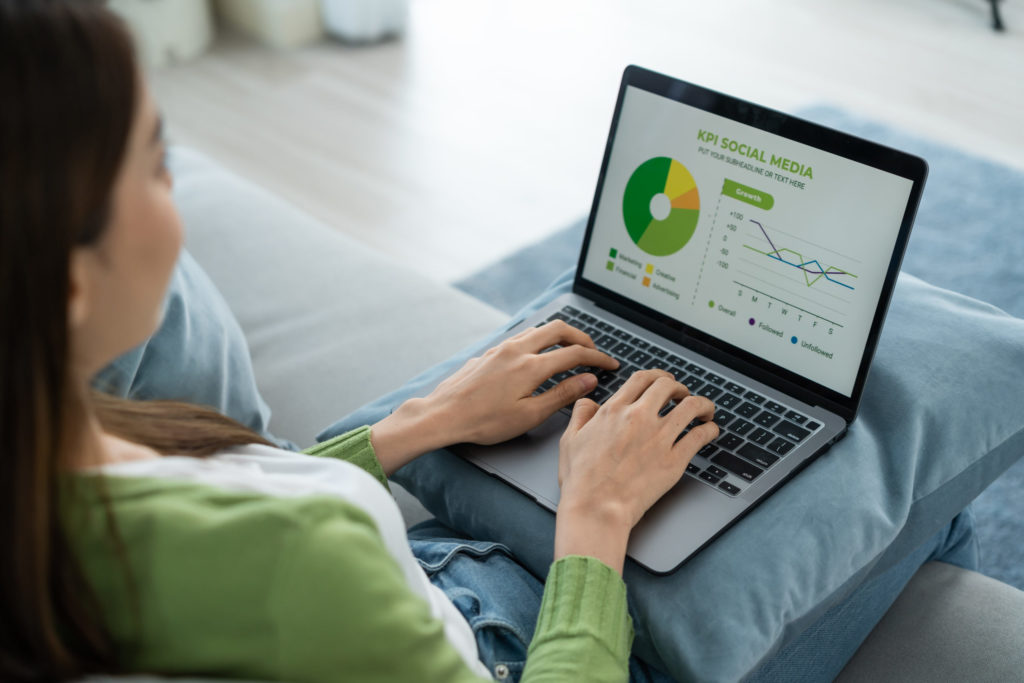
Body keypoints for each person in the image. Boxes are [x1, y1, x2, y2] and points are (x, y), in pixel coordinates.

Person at [0, 2, 984, 682]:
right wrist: (595, 513)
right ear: (72, 276)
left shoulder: (57, 460)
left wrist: (425, 419)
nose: (178, 206)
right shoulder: (301, 555)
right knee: (933, 510)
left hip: (431, 584)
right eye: (154, 164)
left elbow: (231, 512)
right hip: (540, 642)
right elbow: (278, 546)